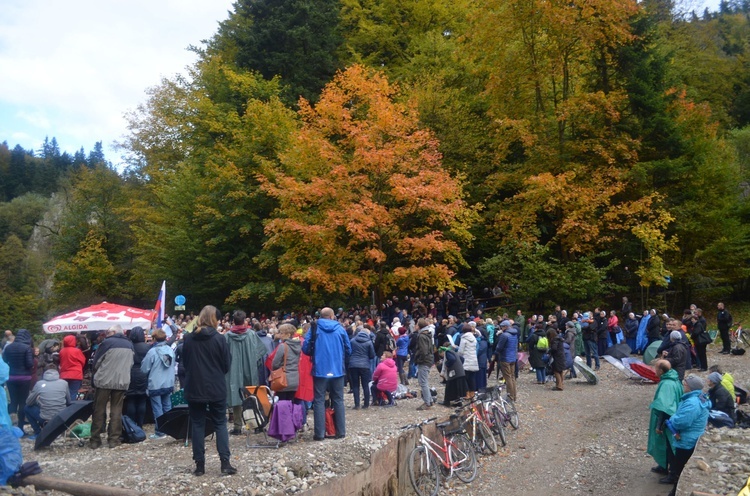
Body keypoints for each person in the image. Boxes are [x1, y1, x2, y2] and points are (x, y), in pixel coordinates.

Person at [183, 305, 236, 476]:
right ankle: (225, 462)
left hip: (195, 386)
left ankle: (200, 465)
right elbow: (226, 364)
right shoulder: (219, 339)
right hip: (215, 385)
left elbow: (185, 362)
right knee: (220, 423)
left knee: (197, 424)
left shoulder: (189, 339)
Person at [302, 307, 352, 441]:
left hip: (320, 369)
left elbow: (306, 348)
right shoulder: (340, 329)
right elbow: (348, 349)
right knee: (338, 400)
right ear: (331, 316)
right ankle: (340, 432)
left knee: (319, 400)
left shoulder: (314, 328)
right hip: (337, 369)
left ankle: (320, 433)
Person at [661, 375, 710, 495]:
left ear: (691, 387)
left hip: (685, 440)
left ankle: (675, 491)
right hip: (692, 438)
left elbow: (681, 422)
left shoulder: (692, 403)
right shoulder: (699, 398)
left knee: (680, 468)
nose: (683, 386)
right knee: (681, 466)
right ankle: (674, 490)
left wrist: (672, 419)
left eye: (685, 384)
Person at [90, 325, 134, 449]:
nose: (106, 333)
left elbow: (96, 362)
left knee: (99, 409)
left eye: (108, 331)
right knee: (116, 410)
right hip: (122, 381)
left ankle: (95, 439)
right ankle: (114, 439)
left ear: (114, 332)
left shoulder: (107, 343)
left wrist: (95, 374)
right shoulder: (129, 344)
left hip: (104, 380)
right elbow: (130, 363)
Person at [225, 310, 266, 436]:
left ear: (233, 321)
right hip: (249, 368)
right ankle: (256, 424)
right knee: (252, 395)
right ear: (245, 320)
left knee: (235, 394)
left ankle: (237, 426)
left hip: (233, 369)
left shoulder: (226, 336)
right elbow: (261, 351)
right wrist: (254, 363)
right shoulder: (252, 334)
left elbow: (222, 355)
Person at [647, 360, 683, 477]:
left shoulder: (667, 384)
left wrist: (659, 425)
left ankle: (671, 472)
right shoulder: (674, 378)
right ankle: (663, 465)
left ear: (661, 371)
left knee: (668, 445)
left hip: (668, 421)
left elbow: (664, 407)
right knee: (667, 445)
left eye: (656, 369)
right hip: (672, 418)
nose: (654, 370)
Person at [141, 328, 175, 439]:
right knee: (167, 406)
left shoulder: (152, 352)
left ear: (154, 338)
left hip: (155, 383)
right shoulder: (170, 350)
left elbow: (144, 369)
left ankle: (160, 431)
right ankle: (170, 428)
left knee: (157, 408)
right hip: (168, 382)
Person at [24, 365, 72, 439]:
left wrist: (37, 401)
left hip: (45, 417)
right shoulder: (64, 383)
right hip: (61, 417)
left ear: (44, 373)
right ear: (57, 372)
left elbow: (29, 402)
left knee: (27, 408)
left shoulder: (39, 384)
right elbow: (69, 401)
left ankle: (38, 432)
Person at [2, 329, 34, 434]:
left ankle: (11, 426)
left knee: (13, 402)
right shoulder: (27, 348)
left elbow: (5, 361)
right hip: (24, 378)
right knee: (22, 402)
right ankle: (20, 427)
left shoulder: (8, 347)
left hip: (11, 377)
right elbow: (29, 364)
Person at [125, 327, 150, 428]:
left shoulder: (128, 346)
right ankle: (140, 424)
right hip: (143, 373)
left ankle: (131, 424)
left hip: (130, 372)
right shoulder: (147, 347)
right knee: (142, 399)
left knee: (131, 399)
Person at [270, 324, 301, 400]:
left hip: (283, 379)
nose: (280, 335)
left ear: (288, 334)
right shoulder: (298, 345)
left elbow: (275, 363)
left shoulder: (283, 346)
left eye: (282, 333)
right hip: (295, 378)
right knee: (291, 403)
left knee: (282, 404)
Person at [348, 326, 375, 410]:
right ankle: (366, 404)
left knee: (355, 385)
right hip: (365, 365)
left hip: (353, 364)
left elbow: (349, 352)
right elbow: (372, 355)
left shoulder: (352, 341)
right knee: (365, 385)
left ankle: (357, 404)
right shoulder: (369, 342)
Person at [411, 318, 435, 411]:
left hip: (424, 361)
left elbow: (423, 351)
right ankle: (430, 400)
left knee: (423, 382)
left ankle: (427, 403)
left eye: (416, 324)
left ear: (419, 326)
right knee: (424, 381)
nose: (415, 325)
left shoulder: (421, 336)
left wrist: (418, 359)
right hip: (429, 359)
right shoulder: (427, 334)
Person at [491, 320, 518, 401]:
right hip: (513, 357)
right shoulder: (514, 334)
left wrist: (495, 354)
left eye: (502, 327)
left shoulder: (504, 335)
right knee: (512, 377)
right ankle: (514, 395)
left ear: (505, 327)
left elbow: (499, 347)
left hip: (505, 358)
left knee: (508, 377)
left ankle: (510, 396)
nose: (501, 328)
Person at [58, 335, 86, 400]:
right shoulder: (77, 351)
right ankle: (71, 408)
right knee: (73, 393)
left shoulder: (62, 351)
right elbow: (83, 361)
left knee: (64, 393)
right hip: (76, 375)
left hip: (64, 375)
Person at [457, 324, 479, 397]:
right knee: (472, 378)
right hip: (473, 359)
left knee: (465, 378)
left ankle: (466, 394)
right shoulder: (474, 338)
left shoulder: (464, 339)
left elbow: (461, 351)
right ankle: (472, 393)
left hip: (466, 360)